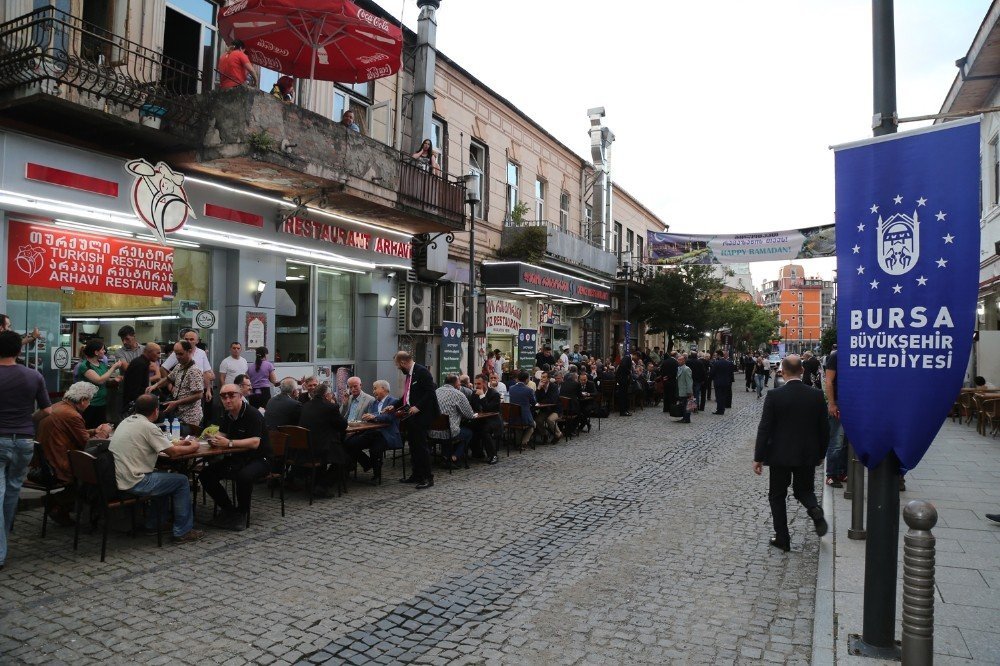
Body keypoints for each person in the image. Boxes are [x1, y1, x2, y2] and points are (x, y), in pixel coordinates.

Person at [752, 355, 829, 551]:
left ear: (782, 372)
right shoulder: (816, 395)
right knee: (804, 490)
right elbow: (824, 428)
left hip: (780, 454)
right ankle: (814, 509)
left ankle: (782, 538)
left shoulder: (775, 396)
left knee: (777, 496)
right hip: (807, 453)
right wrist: (821, 453)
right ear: (802, 371)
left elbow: (765, 428)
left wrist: (758, 457)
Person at [109, 394, 202, 543]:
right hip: (135, 481)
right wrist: (194, 446)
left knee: (165, 477)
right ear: (156, 411)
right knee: (182, 481)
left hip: (119, 477)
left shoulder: (126, 421)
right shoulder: (148, 426)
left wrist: (178, 445)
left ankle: (155, 523)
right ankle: (183, 531)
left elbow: (163, 445)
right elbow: (173, 452)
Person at [0, 330, 52, 566]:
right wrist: (27, 420)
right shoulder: (34, 376)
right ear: (20, 350)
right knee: (12, 491)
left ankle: (0, 550)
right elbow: (47, 411)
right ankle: (4, 537)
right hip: (24, 440)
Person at [36, 382, 111, 525]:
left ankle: (61, 506)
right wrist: (104, 432)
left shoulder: (57, 407)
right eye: (89, 400)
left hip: (46, 460)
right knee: (96, 475)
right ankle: (57, 502)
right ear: (83, 400)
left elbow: (75, 434)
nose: (89, 404)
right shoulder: (72, 415)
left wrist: (94, 431)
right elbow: (89, 445)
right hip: (58, 463)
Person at [201, 383, 270, 530]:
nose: (227, 400)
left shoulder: (252, 414)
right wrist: (214, 439)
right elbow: (222, 435)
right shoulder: (228, 414)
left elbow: (255, 442)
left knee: (243, 476)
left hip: (260, 458)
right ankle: (229, 509)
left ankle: (242, 513)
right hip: (238, 457)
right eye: (223, 396)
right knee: (206, 474)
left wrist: (229, 443)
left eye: (231, 396)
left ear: (240, 396)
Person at [394, 350, 440, 489]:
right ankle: (416, 474)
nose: (398, 368)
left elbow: (430, 393)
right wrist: (394, 406)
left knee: (421, 447)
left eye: (398, 365)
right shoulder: (410, 374)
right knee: (413, 447)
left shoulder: (422, 372)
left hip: (422, 415)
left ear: (403, 362)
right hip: (411, 416)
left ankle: (428, 477)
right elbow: (406, 395)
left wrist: (417, 407)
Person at [297, 383, 349, 495]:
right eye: (331, 394)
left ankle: (317, 482)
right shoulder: (330, 407)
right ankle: (322, 484)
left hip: (305, 449)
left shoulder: (305, 405)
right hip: (322, 449)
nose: (332, 396)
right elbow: (343, 425)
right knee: (346, 458)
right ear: (326, 395)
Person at [346, 380, 401, 481]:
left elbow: (389, 418)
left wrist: (374, 417)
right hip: (372, 433)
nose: (373, 391)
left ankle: (377, 474)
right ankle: (367, 463)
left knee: (375, 448)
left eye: (375, 388)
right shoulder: (374, 402)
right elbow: (372, 417)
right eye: (373, 389)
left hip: (387, 434)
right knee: (350, 443)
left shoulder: (393, 402)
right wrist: (367, 417)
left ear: (384, 389)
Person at [150, 341, 204, 436]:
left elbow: (199, 394)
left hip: (190, 417)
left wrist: (176, 403)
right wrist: (155, 385)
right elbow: (168, 378)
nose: (178, 357)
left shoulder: (194, 371)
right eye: (176, 354)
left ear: (189, 351)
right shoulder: (179, 366)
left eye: (181, 354)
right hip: (178, 414)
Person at [77, 338, 127, 429]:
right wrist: (114, 367)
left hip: (102, 403)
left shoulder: (102, 364)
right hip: (89, 404)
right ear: (96, 352)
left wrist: (115, 380)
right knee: (89, 429)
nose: (104, 351)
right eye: (103, 349)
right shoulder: (85, 366)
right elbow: (99, 380)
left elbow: (105, 381)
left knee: (101, 429)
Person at [430, 375, 476, 466]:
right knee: (468, 433)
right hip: (449, 432)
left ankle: (445, 456)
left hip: (432, 432)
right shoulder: (458, 394)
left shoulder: (435, 392)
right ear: (455, 383)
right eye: (459, 383)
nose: (460, 385)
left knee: (450, 431)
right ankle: (454, 457)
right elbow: (469, 415)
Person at [823, 348, 848, 487]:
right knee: (837, 441)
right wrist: (832, 403)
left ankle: (842, 472)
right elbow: (828, 381)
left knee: (847, 442)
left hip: (852, 405)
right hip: (838, 403)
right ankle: (831, 474)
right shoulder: (836, 356)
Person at [469, 375, 502, 464]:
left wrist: (482, 396)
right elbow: (472, 406)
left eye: (479, 383)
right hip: (480, 419)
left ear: (485, 383)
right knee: (468, 427)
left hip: (493, 420)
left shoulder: (494, 394)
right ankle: (477, 452)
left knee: (485, 430)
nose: (476, 386)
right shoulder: (474, 393)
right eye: (475, 383)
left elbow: (489, 409)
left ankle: (493, 455)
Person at [122, 343, 161, 413]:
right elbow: (134, 390)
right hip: (135, 406)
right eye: (157, 353)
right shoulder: (140, 364)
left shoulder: (143, 363)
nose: (159, 356)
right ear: (149, 352)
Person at [507, 371, 537, 450]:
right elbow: (534, 403)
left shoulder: (511, 388)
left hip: (512, 417)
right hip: (524, 418)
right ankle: (523, 442)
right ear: (527, 379)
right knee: (533, 425)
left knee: (518, 427)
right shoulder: (529, 390)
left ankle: (518, 443)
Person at [534, 371, 563, 444]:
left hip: (555, 409)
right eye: (541, 377)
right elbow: (536, 399)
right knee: (538, 420)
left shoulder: (553, 386)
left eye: (544, 377)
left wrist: (542, 401)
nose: (542, 379)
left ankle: (558, 434)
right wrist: (538, 388)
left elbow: (552, 400)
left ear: (548, 379)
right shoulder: (540, 386)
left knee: (550, 420)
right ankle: (545, 435)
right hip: (545, 409)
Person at [710, 350, 736, 415]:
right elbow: (731, 373)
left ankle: (719, 410)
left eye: (716, 355)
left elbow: (712, 373)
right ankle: (722, 409)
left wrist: (712, 378)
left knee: (718, 396)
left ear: (719, 355)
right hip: (726, 382)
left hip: (718, 382)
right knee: (724, 396)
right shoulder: (728, 363)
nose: (715, 356)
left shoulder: (716, 363)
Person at [675, 354, 693, 424]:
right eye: (678, 359)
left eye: (680, 360)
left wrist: (689, 391)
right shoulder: (679, 368)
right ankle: (684, 418)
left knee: (687, 405)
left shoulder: (686, 369)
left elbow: (689, 381)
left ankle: (687, 419)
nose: (678, 361)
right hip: (681, 390)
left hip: (685, 391)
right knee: (683, 405)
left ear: (684, 361)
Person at [615, 350, 634, 417]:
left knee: (624, 396)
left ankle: (624, 410)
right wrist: (629, 372)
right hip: (623, 381)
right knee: (623, 396)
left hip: (622, 380)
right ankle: (623, 411)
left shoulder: (626, 359)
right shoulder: (627, 358)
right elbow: (624, 367)